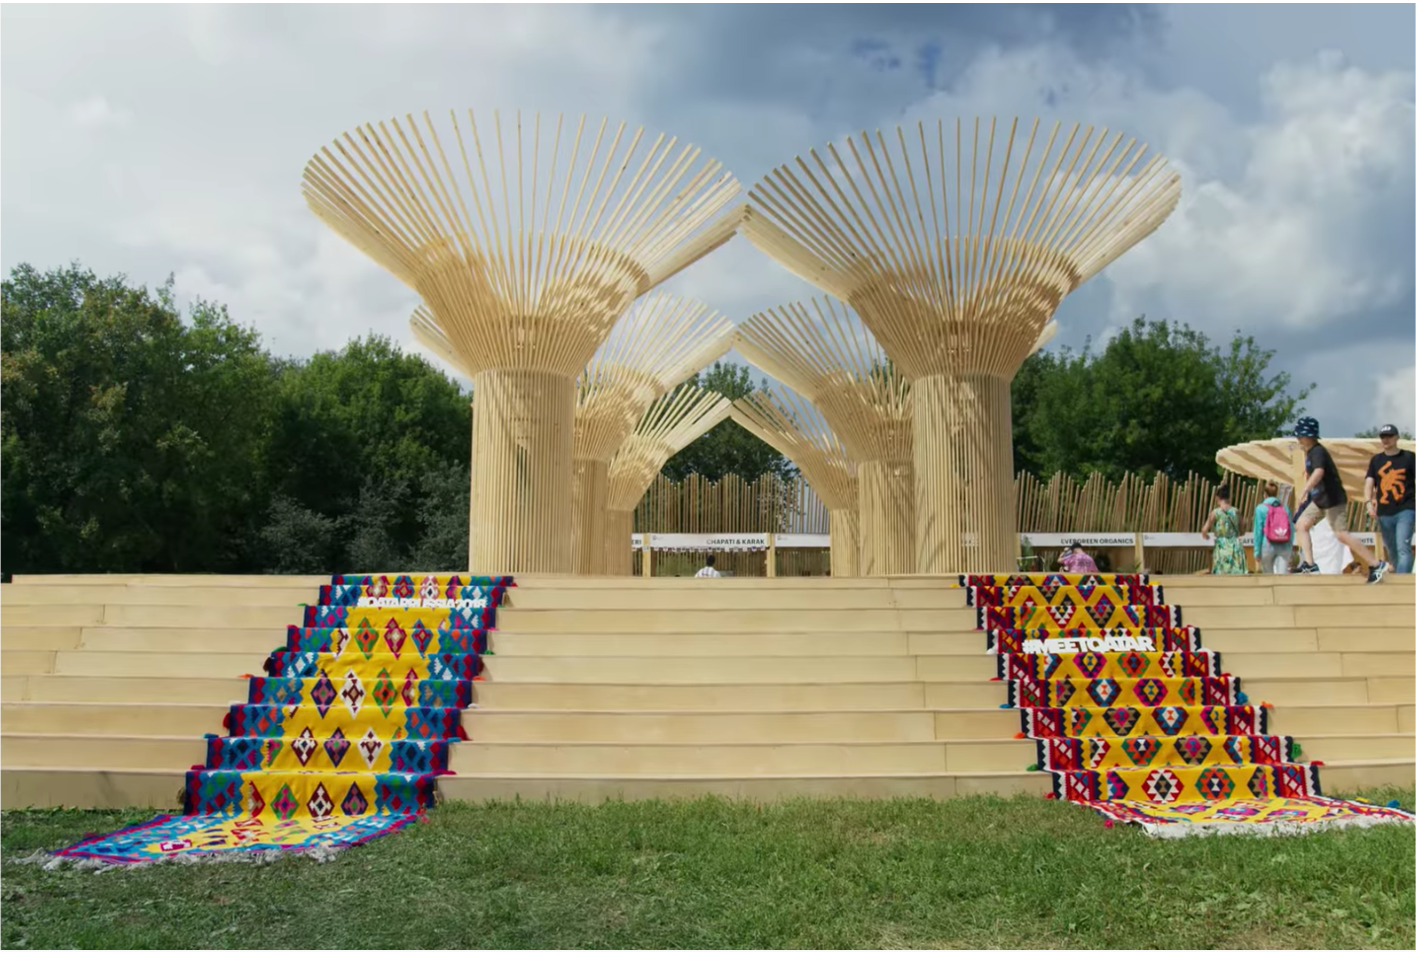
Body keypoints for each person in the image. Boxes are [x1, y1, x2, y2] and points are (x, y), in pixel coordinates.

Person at [1292, 416, 1388, 582]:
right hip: (1320, 499)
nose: (1298, 439)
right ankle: (1310, 564)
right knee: (1301, 524)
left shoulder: (1317, 451)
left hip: (1332, 499)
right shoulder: (1309, 452)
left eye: (1300, 436)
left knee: (1342, 535)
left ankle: (1376, 563)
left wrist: (1305, 489)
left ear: (1309, 436)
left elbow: (1319, 472)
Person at [1364, 423, 1416, 574]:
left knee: (1402, 547)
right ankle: (1404, 579)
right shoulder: (1376, 460)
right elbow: (1369, 483)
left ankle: (1402, 584)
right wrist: (1368, 503)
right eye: (1383, 437)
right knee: (1392, 550)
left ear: (1397, 437)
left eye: (1389, 436)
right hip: (1384, 512)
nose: (1386, 440)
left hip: (1406, 509)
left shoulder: (1409, 457)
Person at [1201, 484, 1248, 574]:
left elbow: (1204, 529)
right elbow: (1242, 531)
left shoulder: (1215, 512)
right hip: (1235, 547)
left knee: (1221, 576)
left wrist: (1206, 536)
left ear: (1218, 498)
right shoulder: (1236, 511)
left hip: (1222, 548)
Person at [1252, 482, 1294, 574]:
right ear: (1276, 494)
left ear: (1265, 494)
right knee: (1282, 577)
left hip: (1266, 545)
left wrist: (1257, 552)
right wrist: (1290, 549)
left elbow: (1258, 532)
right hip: (1284, 545)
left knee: (1268, 577)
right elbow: (1291, 530)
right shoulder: (1285, 508)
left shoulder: (1260, 508)